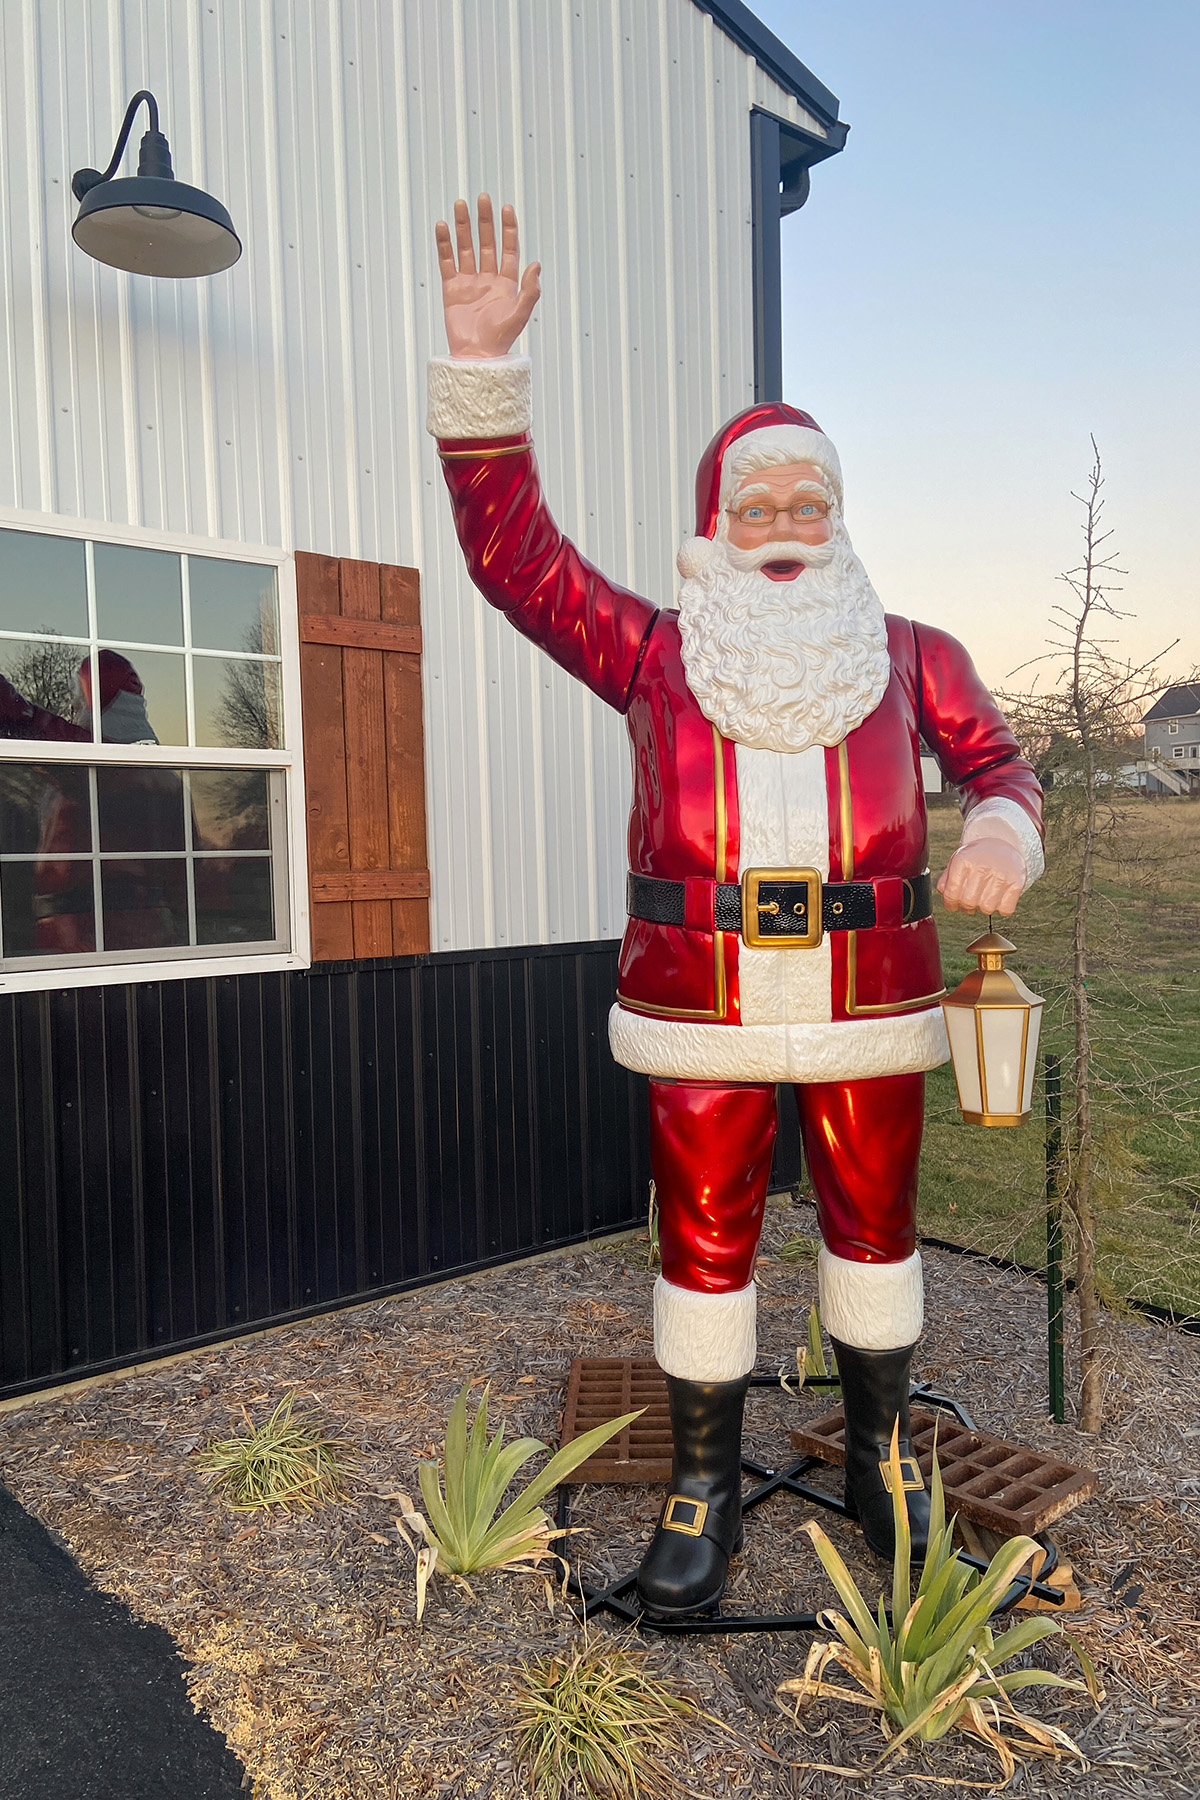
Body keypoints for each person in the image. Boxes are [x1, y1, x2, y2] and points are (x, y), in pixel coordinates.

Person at [427, 197, 1043, 1616]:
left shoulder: (908, 655)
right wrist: (483, 379)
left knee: (874, 1230)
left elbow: (999, 763)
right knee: (702, 1239)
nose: (780, 527)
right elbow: (512, 560)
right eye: (754, 506)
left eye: (804, 505)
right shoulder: (653, 649)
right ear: (716, 520)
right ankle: (704, 1491)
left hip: (868, 1002)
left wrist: (1001, 824)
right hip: (698, 999)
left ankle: (884, 1472)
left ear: (838, 521)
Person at [0, 648, 185, 953]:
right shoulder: (164, 779)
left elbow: (56, 738)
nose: (72, 707)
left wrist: (21, 713)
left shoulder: (116, 769)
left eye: (79, 698)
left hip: (95, 936)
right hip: (123, 929)